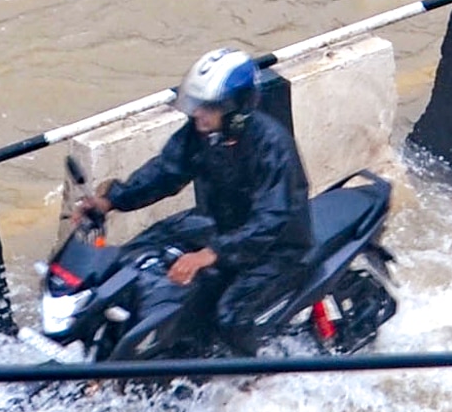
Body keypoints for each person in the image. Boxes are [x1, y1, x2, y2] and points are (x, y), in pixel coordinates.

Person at [89, 51, 314, 353]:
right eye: (197, 105)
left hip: (277, 249)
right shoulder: (202, 135)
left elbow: (270, 220)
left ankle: (255, 380)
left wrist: (211, 253)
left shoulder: (272, 146)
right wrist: (111, 200)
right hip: (223, 232)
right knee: (142, 253)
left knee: (230, 316)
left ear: (237, 109)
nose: (198, 115)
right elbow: (165, 172)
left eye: (209, 107)